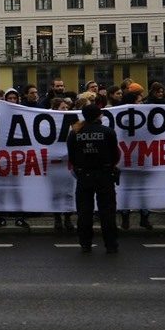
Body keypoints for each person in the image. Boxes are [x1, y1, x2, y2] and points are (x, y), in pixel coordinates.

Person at [67, 105, 121, 254]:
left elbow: (72, 157)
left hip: (84, 176)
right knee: (107, 211)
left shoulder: (75, 133)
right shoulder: (108, 132)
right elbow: (115, 155)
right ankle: (111, 244)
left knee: (84, 211)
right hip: (104, 175)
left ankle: (85, 243)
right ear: (99, 116)